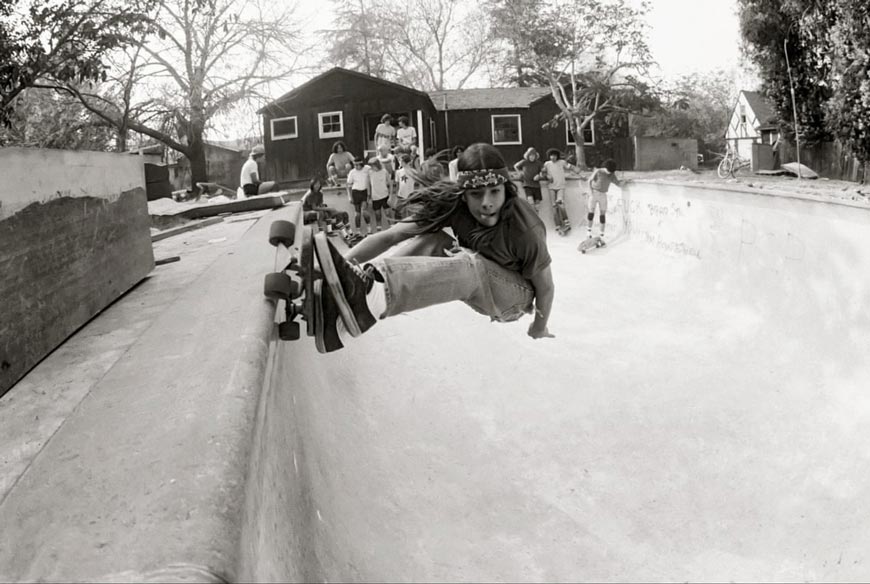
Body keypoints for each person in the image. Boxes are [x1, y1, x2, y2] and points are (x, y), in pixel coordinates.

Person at [309, 143, 555, 353]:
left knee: (470, 263)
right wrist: (339, 267)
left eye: (495, 193)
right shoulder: (453, 205)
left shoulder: (525, 227)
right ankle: (362, 285)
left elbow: (545, 287)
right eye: (476, 195)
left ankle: (373, 297)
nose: (487, 203)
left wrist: (538, 327)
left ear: (506, 190)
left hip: (514, 298)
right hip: (477, 274)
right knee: (434, 240)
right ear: (463, 195)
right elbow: (390, 236)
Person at [586, 158, 623, 240]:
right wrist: (590, 192)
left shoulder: (612, 174)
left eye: (611, 172)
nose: (609, 173)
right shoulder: (598, 171)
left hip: (603, 195)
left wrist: (625, 182)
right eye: (608, 171)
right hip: (594, 193)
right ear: (605, 168)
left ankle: (602, 234)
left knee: (602, 214)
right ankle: (588, 232)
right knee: (591, 212)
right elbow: (589, 181)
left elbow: (618, 183)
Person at [541, 148, 576, 234]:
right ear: (549, 156)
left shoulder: (562, 162)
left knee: (560, 203)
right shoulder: (547, 164)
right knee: (554, 206)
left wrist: (578, 172)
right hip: (551, 187)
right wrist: (546, 176)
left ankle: (566, 221)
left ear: (557, 156)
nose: (553, 157)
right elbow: (543, 173)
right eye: (551, 156)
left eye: (555, 156)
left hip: (561, 186)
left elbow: (570, 167)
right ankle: (558, 224)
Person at [346, 157, 372, 236]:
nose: (356, 167)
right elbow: (348, 185)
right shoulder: (352, 172)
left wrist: (370, 194)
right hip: (356, 192)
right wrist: (349, 197)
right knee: (357, 214)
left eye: (358, 165)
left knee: (364, 211)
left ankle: (369, 227)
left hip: (364, 192)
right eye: (354, 165)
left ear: (361, 164)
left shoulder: (367, 168)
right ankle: (358, 231)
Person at [513, 147, 544, 213]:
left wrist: (539, 175)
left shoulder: (538, 163)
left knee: (537, 202)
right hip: (527, 184)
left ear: (536, 156)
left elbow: (543, 171)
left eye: (533, 156)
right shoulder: (524, 162)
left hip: (536, 185)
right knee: (530, 200)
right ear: (528, 155)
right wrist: (520, 173)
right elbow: (516, 166)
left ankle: (536, 213)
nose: (532, 157)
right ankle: (533, 214)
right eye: (530, 155)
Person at [367, 157, 392, 231]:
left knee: (388, 213)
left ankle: (391, 228)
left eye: (373, 166)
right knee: (377, 215)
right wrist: (369, 197)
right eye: (371, 166)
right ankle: (379, 230)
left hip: (385, 196)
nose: (372, 167)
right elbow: (368, 185)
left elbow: (390, 184)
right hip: (375, 197)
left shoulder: (384, 171)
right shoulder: (370, 172)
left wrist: (390, 196)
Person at [393, 153, 416, 220]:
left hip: (411, 194)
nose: (400, 162)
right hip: (401, 195)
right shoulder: (398, 172)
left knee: (411, 213)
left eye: (401, 161)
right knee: (398, 212)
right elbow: (397, 184)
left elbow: (418, 182)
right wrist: (396, 194)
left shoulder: (413, 172)